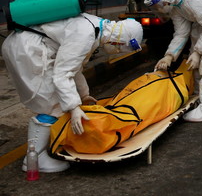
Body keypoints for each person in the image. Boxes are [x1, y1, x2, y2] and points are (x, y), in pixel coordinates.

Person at [1, 16, 143, 172]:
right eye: (120, 47)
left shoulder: (95, 28)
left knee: (56, 101)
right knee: (52, 105)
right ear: (121, 39)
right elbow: (63, 74)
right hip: (27, 50)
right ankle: (35, 159)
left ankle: (39, 153)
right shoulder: (86, 35)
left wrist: (83, 95)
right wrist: (74, 107)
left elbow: (74, 68)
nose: (117, 50)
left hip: (25, 45)